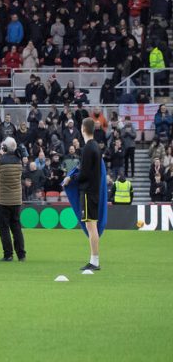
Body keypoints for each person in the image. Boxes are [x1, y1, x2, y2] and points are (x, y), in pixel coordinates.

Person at [63, 117, 103, 273]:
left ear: (83, 129)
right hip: (93, 191)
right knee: (91, 225)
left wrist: (70, 178)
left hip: (88, 192)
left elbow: (84, 174)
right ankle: (94, 259)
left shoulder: (88, 148)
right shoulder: (95, 147)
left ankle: (94, 261)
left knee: (91, 226)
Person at [0, 136, 26, 262]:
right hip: (16, 201)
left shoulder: (0, 161)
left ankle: (8, 255)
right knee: (16, 228)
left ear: (3, 148)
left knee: (3, 229)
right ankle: (21, 255)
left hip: (2, 201)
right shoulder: (19, 161)